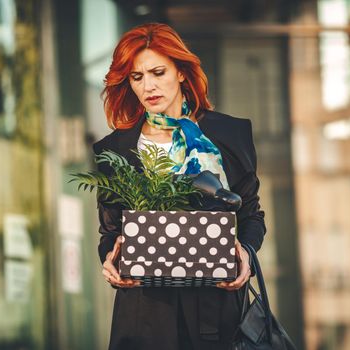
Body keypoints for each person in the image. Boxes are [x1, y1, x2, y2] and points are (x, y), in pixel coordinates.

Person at [92, 23, 266, 350]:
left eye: (158, 72)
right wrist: (111, 259)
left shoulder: (229, 135)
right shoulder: (113, 150)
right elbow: (111, 232)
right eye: (137, 77)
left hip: (216, 315)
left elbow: (251, 216)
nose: (149, 86)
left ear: (181, 72)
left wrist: (245, 252)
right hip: (144, 319)